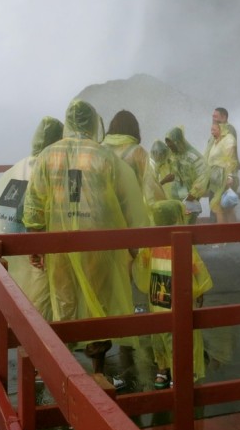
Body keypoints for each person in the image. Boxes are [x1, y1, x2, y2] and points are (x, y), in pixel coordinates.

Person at [22, 99, 150, 377]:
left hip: (58, 244)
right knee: (98, 303)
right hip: (98, 244)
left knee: (64, 301)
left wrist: (36, 242)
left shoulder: (47, 155)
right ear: (94, 123)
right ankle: (98, 370)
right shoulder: (105, 157)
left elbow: (33, 204)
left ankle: (62, 370)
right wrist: (133, 244)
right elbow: (128, 201)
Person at [0, 115, 64, 317]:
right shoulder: (47, 172)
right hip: (25, 263)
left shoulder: (12, 170)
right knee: (36, 325)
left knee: (1, 326)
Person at [132, 199, 213, 388]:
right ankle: (181, 372)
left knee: (160, 333)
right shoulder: (180, 239)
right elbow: (196, 268)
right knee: (181, 334)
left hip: (157, 296)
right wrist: (199, 291)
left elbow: (141, 265)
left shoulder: (151, 242)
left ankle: (163, 370)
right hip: (179, 295)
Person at [102, 110, 166, 204]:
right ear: (134, 128)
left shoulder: (99, 149)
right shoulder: (137, 152)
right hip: (129, 210)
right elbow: (150, 186)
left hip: (104, 208)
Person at [164, 126, 207, 224]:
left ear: (178, 142)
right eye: (168, 146)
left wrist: (193, 194)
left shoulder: (193, 157)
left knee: (188, 228)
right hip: (175, 197)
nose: (170, 148)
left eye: (171, 145)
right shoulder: (173, 156)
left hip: (189, 199)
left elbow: (203, 176)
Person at [206, 121, 239, 224]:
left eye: (214, 130)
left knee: (226, 207)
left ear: (221, 129)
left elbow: (230, 159)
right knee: (219, 207)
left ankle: (230, 236)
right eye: (211, 130)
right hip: (216, 179)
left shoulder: (228, 140)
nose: (212, 132)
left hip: (224, 177)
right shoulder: (216, 141)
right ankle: (226, 236)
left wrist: (229, 176)